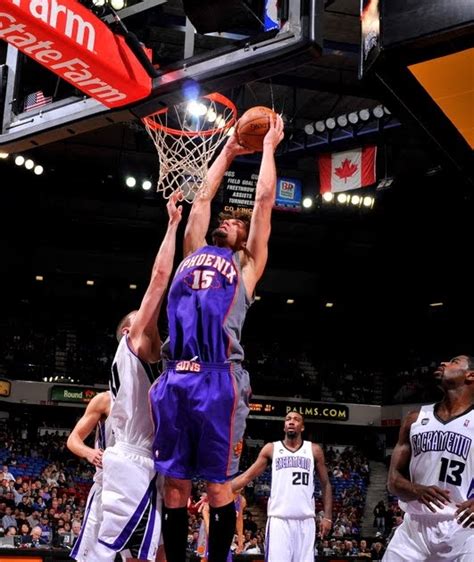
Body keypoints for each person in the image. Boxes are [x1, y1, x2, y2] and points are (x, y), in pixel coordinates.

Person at [149, 114, 284, 562]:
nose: (226, 220)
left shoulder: (246, 267)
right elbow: (203, 197)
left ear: (243, 238)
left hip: (217, 379)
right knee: (174, 485)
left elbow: (263, 201)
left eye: (234, 222)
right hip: (174, 377)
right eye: (224, 219)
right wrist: (227, 150)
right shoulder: (194, 250)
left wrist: (267, 146)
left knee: (217, 484)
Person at [71, 191, 182, 561]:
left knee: (154, 549)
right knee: (129, 555)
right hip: (132, 461)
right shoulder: (134, 343)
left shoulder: (155, 357)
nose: (147, 318)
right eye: (139, 316)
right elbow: (160, 277)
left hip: (147, 461)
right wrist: (172, 225)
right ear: (127, 332)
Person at [383, 355, 474, 561]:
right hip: (414, 528)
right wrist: (417, 489)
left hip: (465, 527)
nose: (443, 363)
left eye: (454, 361)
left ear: (470, 375)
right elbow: (393, 481)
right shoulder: (414, 419)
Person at [231, 411, 333, 562]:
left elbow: (325, 484)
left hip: (306, 521)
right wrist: (219, 490)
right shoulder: (272, 449)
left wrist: (328, 517)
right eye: (288, 419)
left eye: (296, 420)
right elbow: (247, 476)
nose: (291, 422)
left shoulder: (314, 450)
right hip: (279, 521)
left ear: (302, 427)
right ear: (284, 427)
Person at [67, 391, 112, 561]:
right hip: (106, 485)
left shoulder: (153, 396)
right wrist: (89, 452)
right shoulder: (105, 400)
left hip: (141, 485)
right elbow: (73, 439)